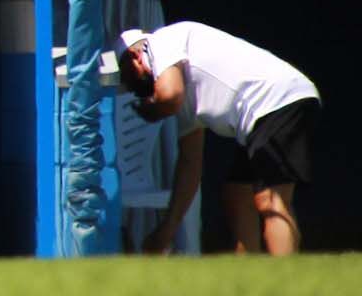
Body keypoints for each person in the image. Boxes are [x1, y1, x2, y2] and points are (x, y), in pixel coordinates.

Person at [118, 23, 321, 257]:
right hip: (260, 116)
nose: (130, 88)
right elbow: (190, 166)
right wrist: (167, 230)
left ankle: (288, 280)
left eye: (127, 77)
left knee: (271, 200)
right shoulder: (182, 97)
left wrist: (153, 111)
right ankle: (253, 277)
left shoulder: (160, 41)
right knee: (238, 193)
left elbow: (170, 95)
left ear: (135, 56)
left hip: (279, 100)